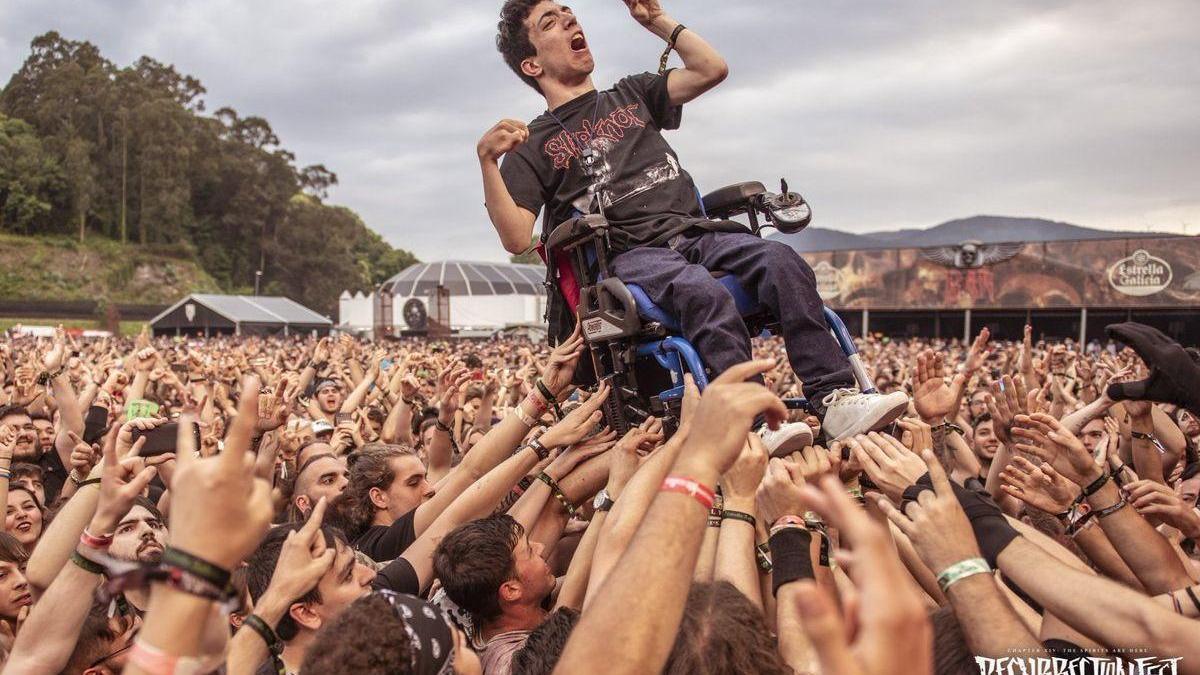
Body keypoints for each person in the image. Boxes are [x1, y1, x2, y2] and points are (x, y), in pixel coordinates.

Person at [478, 0, 909, 452]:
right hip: (632, 254)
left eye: (569, 12)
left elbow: (711, 68)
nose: (569, 19)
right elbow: (516, 237)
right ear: (532, 63)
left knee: (781, 260)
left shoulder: (631, 93)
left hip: (697, 231)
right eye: (551, 21)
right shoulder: (536, 142)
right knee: (701, 290)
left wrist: (658, 22)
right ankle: (749, 419)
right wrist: (488, 161)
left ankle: (835, 397)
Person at [433, 514, 555, 675]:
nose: (541, 547)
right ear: (511, 590)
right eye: (530, 551)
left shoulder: (468, 595)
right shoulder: (515, 664)